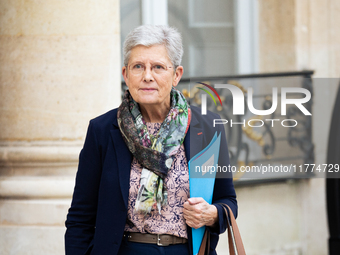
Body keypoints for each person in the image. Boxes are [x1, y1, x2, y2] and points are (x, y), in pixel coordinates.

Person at [65, 25, 237, 255]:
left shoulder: (207, 127)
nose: (147, 76)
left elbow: (228, 201)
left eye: (158, 67)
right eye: (138, 67)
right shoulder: (103, 130)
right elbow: (80, 217)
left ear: (176, 75)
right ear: (126, 74)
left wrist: (213, 214)